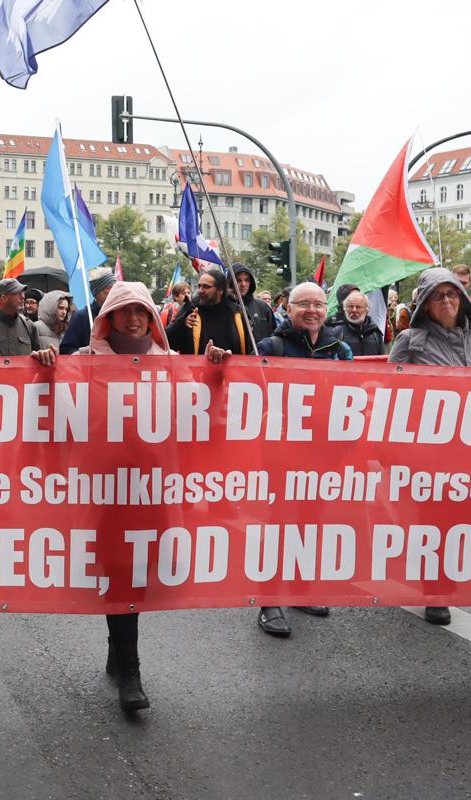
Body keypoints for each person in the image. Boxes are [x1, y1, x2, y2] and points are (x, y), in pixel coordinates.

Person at [70, 281, 230, 711]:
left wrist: (214, 375)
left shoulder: (173, 364)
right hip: (106, 493)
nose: (135, 318)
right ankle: (131, 670)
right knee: (120, 571)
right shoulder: (83, 363)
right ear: (109, 317)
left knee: (140, 573)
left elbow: (202, 419)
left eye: (142, 310)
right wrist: (45, 368)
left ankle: (117, 647)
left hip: (154, 491)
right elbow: (50, 410)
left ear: (153, 318)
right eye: (125, 311)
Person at [389, 267, 471, 625]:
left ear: (463, 299)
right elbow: (389, 392)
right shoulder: (410, 341)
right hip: (431, 454)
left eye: (452, 294)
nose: (448, 301)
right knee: (436, 521)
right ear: (425, 303)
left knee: (469, 519)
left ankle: (446, 578)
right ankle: (436, 591)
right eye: (438, 295)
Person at [254, 282, 353, 636]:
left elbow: (354, 393)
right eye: (304, 304)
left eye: (319, 304)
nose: (312, 310)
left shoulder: (340, 349)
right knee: (278, 524)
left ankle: (298, 589)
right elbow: (246, 390)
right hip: (280, 454)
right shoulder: (271, 347)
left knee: (310, 522)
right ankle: (267, 600)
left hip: (323, 453)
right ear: (289, 308)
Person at [0, 278, 58, 364]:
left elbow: (37, 361)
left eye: (23, 293)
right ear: (4, 298)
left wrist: (44, 356)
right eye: (18, 293)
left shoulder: (29, 326)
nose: (23, 297)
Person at [165, 268, 254, 356]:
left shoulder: (238, 312)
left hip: (233, 369)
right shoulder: (190, 310)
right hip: (196, 369)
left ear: (220, 290)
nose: (200, 290)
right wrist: (181, 324)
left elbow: (250, 347)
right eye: (199, 286)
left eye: (206, 287)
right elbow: (166, 343)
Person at [59, 267, 117, 354]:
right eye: (110, 288)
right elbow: (66, 350)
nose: (115, 292)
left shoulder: (119, 315)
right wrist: (84, 352)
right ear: (97, 293)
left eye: (116, 288)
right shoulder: (81, 317)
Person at [332, 290, 386, 356]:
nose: (354, 310)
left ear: (367, 310)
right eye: (350, 306)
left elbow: (382, 360)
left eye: (358, 307)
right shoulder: (337, 332)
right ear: (345, 309)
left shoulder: (375, 333)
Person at [231, 263, 275, 341]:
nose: (243, 284)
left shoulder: (263, 307)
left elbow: (273, 336)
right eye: (238, 280)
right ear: (231, 282)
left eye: (246, 280)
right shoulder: (224, 308)